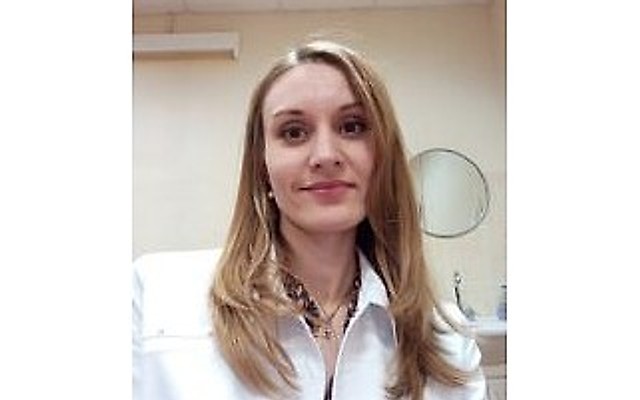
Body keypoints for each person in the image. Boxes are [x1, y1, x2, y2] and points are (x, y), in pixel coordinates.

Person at [133, 39, 486, 400]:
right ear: (262, 165)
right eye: (293, 132)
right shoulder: (156, 297)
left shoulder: (448, 340)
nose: (326, 155)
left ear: (384, 156)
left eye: (352, 126)